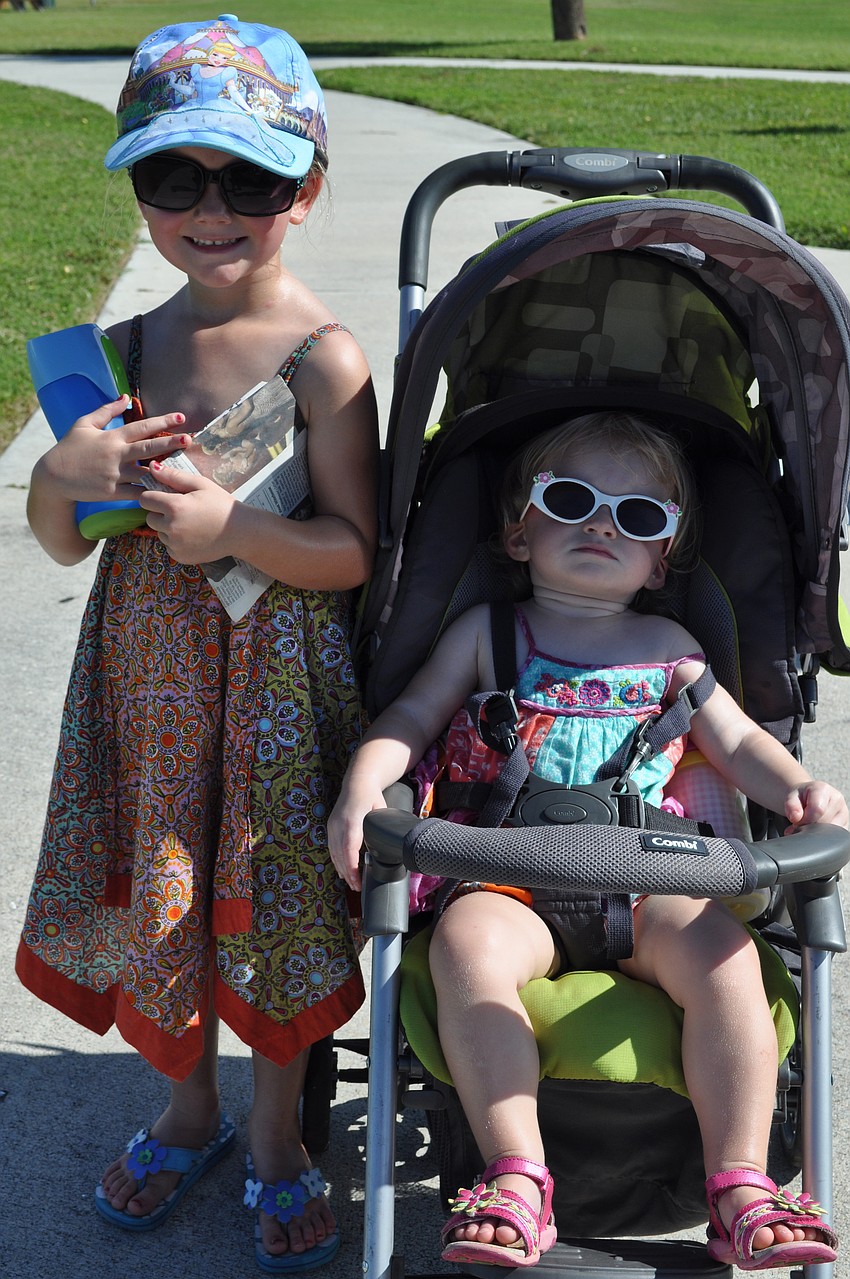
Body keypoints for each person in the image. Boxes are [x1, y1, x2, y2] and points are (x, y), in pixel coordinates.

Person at [16, 16, 378, 1272]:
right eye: (175, 178)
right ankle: (186, 1110)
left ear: (307, 189)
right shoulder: (124, 348)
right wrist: (65, 471)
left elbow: (351, 550)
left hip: (278, 694)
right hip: (149, 690)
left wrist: (235, 527)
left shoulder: (322, 361)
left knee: (270, 909)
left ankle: (280, 1135)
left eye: (252, 181)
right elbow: (63, 540)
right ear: (138, 188)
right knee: (166, 905)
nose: (210, 210)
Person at [328, 411, 843, 1271]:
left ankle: (742, 1184)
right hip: (504, 878)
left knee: (729, 962)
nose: (603, 524)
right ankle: (516, 1176)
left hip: (648, 884)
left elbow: (743, 742)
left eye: (638, 516)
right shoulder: (486, 636)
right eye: (572, 501)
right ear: (518, 532)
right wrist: (360, 783)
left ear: (664, 554)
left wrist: (799, 789)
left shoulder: (675, 652)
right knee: (466, 949)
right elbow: (409, 719)